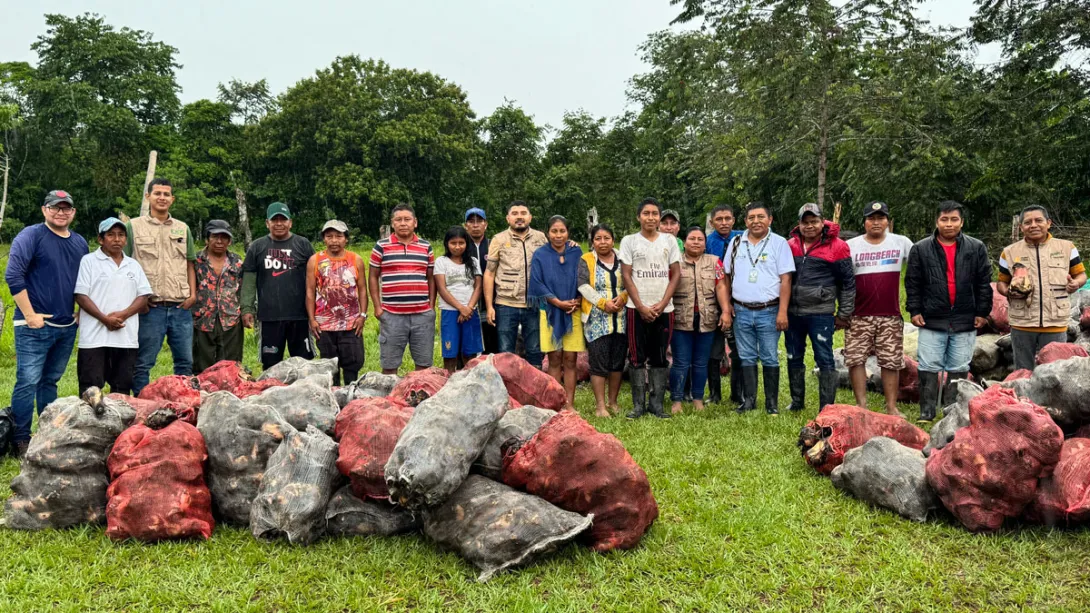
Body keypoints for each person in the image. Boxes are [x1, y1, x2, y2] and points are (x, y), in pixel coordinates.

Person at [5, 190, 89, 456]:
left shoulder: (79, 243)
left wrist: (80, 312)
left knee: (49, 381)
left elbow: (84, 282)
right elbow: (13, 275)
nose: (61, 212)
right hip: (33, 326)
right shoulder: (31, 236)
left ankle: (47, 431)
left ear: (73, 213)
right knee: (27, 381)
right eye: (56, 207)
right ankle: (20, 438)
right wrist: (29, 314)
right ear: (45, 210)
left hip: (66, 327)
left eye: (66, 208)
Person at [905, 201, 993, 423]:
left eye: (954, 219)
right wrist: (915, 309)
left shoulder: (976, 248)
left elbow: (984, 282)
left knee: (959, 365)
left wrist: (982, 311)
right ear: (937, 221)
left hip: (965, 317)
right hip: (932, 318)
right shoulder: (921, 249)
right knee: (928, 365)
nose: (949, 224)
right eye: (944, 219)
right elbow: (913, 283)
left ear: (961, 222)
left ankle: (951, 409)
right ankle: (926, 411)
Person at [124, 178, 197, 395]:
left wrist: (192, 295)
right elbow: (126, 265)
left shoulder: (182, 228)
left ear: (172, 199)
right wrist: (140, 302)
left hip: (180, 308)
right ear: (148, 196)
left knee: (184, 363)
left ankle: (183, 406)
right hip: (150, 309)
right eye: (157, 193)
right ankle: (141, 406)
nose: (162, 198)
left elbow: (190, 263)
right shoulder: (133, 227)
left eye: (166, 194)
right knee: (143, 363)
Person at [722, 201, 795, 415]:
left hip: (769, 311)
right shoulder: (736, 242)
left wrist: (782, 311)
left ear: (770, 219)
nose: (756, 221)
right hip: (741, 310)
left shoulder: (779, 243)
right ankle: (749, 400)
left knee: (770, 356)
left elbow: (786, 279)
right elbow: (725, 277)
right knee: (746, 356)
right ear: (745, 221)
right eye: (751, 217)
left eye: (760, 217)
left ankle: (771, 404)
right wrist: (727, 307)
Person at [845, 201, 915, 417]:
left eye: (880, 218)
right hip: (858, 315)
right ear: (864, 222)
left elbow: (919, 266)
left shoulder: (901, 243)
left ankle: (891, 406)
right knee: (855, 359)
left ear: (888, 221)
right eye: (871, 218)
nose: (876, 222)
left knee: (891, 360)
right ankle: (861, 405)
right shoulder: (851, 245)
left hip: (890, 314)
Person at [785, 203, 855, 413]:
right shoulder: (790, 245)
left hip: (821, 312)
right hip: (793, 312)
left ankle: (827, 406)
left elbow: (848, 282)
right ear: (799, 224)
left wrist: (844, 313)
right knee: (793, 356)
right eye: (805, 222)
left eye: (814, 221)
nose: (810, 226)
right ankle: (797, 401)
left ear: (822, 221)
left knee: (824, 358)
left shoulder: (838, 246)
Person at [997, 205, 1086, 371]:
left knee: (1054, 372)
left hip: (1055, 322)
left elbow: (1081, 275)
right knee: (1023, 372)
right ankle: (1022, 398)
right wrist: (1008, 291)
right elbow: (1001, 283)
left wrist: (1076, 283)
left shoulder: (1067, 248)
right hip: (1022, 323)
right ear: (1021, 227)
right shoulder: (1008, 252)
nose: (1033, 225)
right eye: (1028, 222)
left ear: (1048, 223)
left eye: (1038, 220)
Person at [73, 218, 152, 395]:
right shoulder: (89, 261)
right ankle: (89, 423)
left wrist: (123, 315)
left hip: (126, 337)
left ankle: (120, 423)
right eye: (111, 235)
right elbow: (80, 295)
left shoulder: (133, 264)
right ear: (101, 239)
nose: (117, 239)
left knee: (122, 388)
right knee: (90, 389)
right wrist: (105, 319)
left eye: (121, 235)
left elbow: (143, 296)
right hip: (94, 338)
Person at [620, 197, 681, 419]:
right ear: (639, 217)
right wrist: (640, 306)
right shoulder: (629, 241)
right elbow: (626, 275)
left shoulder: (669, 241)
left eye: (655, 213)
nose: (651, 217)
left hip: (664, 309)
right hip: (636, 308)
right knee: (636, 357)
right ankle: (638, 405)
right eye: (646, 213)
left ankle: (657, 404)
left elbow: (676, 274)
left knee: (660, 357)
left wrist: (663, 303)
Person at [242, 202, 316, 371]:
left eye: (283, 219)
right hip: (269, 317)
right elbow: (249, 280)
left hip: (300, 316)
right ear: (267, 223)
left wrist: (316, 311)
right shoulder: (257, 247)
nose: (279, 223)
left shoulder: (303, 244)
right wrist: (247, 308)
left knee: (304, 364)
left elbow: (315, 278)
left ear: (290, 222)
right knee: (270, 365)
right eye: (274, 220)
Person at [669, 226, 731, 415]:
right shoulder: (675, 261)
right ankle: (677, 400)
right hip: (681, 318)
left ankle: (697, 398)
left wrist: (726, 311)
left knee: (701, 362)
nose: (696, 242)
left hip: (707, 318)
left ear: (705, 243)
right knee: (680, 361)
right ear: (684, 242)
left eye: (700, 239)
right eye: (692, 238)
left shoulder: (714, 262)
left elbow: (720, 287)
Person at [369, 203, 436, 374]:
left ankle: (419, 398)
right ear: (392, 223)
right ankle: (390, 399)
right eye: (398, 219)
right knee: (389, 366)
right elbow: (373, 277)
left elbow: (431, 277)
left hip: (422, 315)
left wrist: (431, 306)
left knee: (423, 365)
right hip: (392, 315)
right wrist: (377, 307)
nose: (403, 223)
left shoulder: (425, 246)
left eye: (407, 219)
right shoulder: (381, 246)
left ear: (415, 222)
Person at [530, 215, 585, 410]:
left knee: (571, 359)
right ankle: (555, 403)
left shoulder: (576, 252)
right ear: (547, 233)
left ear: (568, 232)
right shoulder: (540, 254)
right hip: (550, 312)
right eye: (554, 231)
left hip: (573, 311)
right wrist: (558, 303)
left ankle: (569, 404)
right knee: (554, 358)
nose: (558, 235)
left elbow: (583, 278)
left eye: (562, 231)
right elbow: (536, 283)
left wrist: (578, 300)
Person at [484, 201, 548, 368]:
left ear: (530, 217)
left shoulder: (541, 238)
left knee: (535, 349)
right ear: (508, 218)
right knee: (505, 351)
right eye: (515, 213)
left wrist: (571, 245)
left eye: (523, 213)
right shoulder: (499, 239)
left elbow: (553, 260)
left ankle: (535, 389)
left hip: (534, 303)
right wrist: (490, 306)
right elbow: (489, 273)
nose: (519, 217)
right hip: (506, 304)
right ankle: (508, 389)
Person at [306, 220, 368, 386]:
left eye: (338, 236)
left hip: (351, 323)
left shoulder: (356, 260)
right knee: (328, 367)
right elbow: (310, 291)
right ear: (324, 239)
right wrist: (312, 319)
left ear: (346, 239)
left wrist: (362, 315)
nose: (334, 240)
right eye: (329, 236)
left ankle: (350, 399)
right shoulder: (315, 260)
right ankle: (333, 401)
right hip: (324, 324)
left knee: (352, 364)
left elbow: (362, 289)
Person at [579, 224, 628, 417]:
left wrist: (623, 297)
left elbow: (631, 280)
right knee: (598, 362)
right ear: (592, 242)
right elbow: (582, 285)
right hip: (597, 318)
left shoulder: (623, 258)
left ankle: (613, 402)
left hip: (621, 317)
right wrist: (602, 303)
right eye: (598, 238)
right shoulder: (586, 260)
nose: (602, 242)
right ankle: (600, 406)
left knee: (617, 362)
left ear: (613, 240)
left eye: (606, 238)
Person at [192, 219, 244, 374]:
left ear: (229, 240)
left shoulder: (237, 262)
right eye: (215, 236)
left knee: (230, 366)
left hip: (230, 319)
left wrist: (247, 311)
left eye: (224, 237)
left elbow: (242, 288)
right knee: (201, 366)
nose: (219, 241)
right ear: (207, 239)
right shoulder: (195, 261)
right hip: (202, 319)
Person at [705, 204, 745, 405]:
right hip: (713, 302)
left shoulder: (742, 238)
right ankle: (714, 394)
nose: (724, 222)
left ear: (734, 220)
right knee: (714, 350)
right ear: (712, 222)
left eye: (727, 218)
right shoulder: (706, 242)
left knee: (738, 349)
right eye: (719, 219)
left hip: (738, 302)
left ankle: (738, 393)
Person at [435, 226, 483, 374]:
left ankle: (469, 384)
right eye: (453, 243)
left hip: (471, 312)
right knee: (450, 354)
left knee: (470, 354)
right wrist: (460, 308)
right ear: (446, 244)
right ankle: (448, 384)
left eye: (461, 243)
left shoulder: (473, 262)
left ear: (466, 243)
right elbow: (442, 289)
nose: (457, 247)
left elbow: (478, 286)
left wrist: (468, 307)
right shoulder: (441, 261)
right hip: (450, 312)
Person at [464, 207, 498, 355]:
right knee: (467, 347)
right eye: (471, 221)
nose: (476, 225)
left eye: (479, 221)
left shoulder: (493, 245)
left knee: (491, 343)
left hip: (491, 303)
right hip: (467, 304)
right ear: (466, 225)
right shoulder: (461, 246)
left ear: (486, 224)